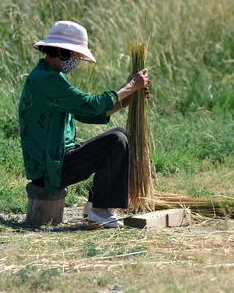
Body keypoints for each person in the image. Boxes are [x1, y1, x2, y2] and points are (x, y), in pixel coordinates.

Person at [18, 21, 151, 228]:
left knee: (119, 133)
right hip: (50, 170)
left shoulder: (53, 76)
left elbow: (86, 113)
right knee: (115, 141)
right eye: (76, 56)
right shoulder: (45, 81)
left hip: (60, 159)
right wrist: (131, 86)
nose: (78, 61)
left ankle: (95, 205)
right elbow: (91, 105)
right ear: (61, 51)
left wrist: (127, 99)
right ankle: (101, 210)